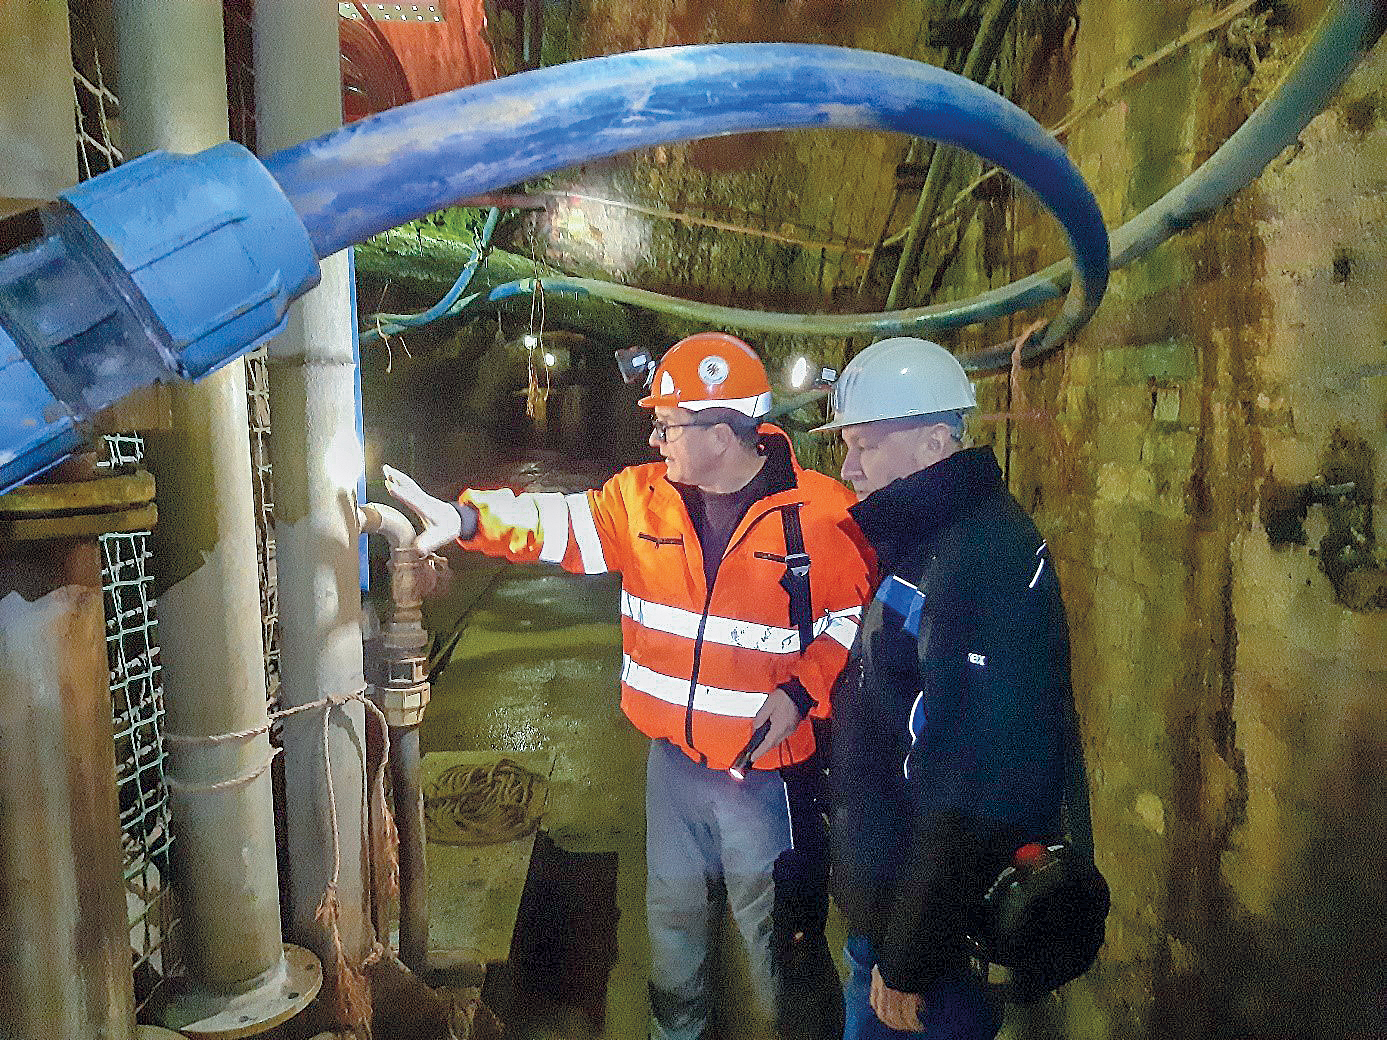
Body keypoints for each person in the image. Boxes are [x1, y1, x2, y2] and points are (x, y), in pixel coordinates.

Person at [384, 331, 872, 1040]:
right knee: (671, 929)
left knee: (778, 946)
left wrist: (801, 692)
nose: (654, 435)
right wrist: (463, 519)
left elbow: (849, 619)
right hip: (670, 765)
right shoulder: (640, 500)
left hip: (767, 780)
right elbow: (555, 522)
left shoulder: (821, 520)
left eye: (669, 424)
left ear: (722, 432)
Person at [813, 337, 1074, 1040]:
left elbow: (975, 784)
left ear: (932, 444)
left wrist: (909, 956)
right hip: (895, 902)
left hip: (928, 932)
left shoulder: (976, 563)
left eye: (863, 445)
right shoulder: (932, 540)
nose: (847, 466)